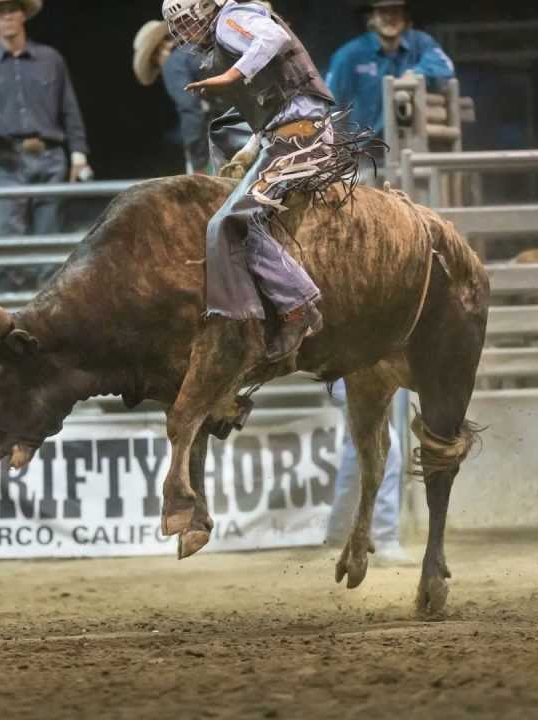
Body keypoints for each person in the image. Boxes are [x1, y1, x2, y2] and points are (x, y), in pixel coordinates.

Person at [165, 0, 372, 361]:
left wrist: (230, 77)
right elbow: (275, 104)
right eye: (178, 27)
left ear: (204, 10)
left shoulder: (232, 20)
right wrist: (250, 147)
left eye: (185, 22)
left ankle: (294, 307)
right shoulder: (232, 27)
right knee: (227, 189)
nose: (183, 33)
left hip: (300, 138)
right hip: (287, 134)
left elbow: (271, 37)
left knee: (229, 224)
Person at [0, 0, 93, 237]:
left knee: (50, 244)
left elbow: (69, 109)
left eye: (12, 10)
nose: (7, 17)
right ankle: (13, 274)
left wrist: (78, 156)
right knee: (8, 244)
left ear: (23, 15)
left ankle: (47, 275)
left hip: (51, 158)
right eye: (0, 12)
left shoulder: (51, 59)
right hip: (8, 160)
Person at [325, 0, 456, 135]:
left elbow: (445, 66)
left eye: (395, 11)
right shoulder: (350, 55)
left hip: (410, 144)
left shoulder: (421, 43)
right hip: (365, 147)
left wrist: (415, 75)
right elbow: (331, 103)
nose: (389, 17)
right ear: (372, 18)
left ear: (405, 16)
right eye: (383, 12)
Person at [324, 380, 412, 564]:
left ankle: (338, 535)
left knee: (357, 452)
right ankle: (385, 541)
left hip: (366, 376)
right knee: (385, 447)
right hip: (351, 375)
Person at [134, 20, 213, 174]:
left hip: (226, 139)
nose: (159, 67)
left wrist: (198, 163)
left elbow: (190, 109)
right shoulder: (199, 50)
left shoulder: (173, 63)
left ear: (160, 49)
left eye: (154, 62)